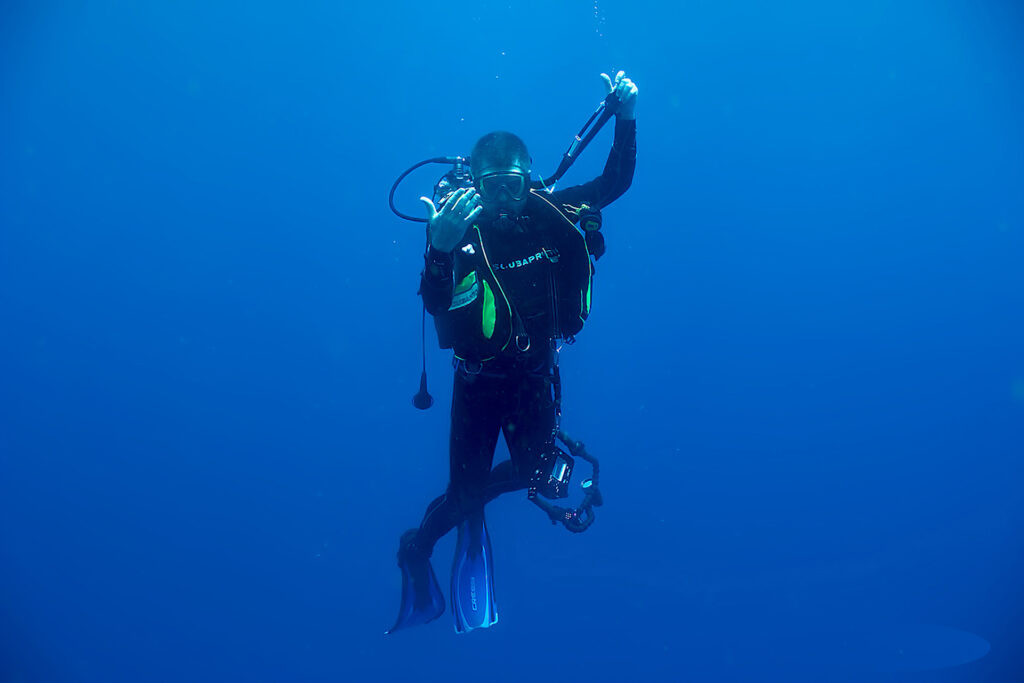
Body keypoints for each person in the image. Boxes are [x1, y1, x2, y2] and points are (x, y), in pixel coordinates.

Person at [388, 71, 638, 634]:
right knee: (463, 494)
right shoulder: (457, 230)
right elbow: (433, 303)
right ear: (474, 183)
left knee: (532, 473)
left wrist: (627, 115)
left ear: (528, 180)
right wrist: (437, 247)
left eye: (512, 184)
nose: (502, 198)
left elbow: (614, 181)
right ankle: (418, 545)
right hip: (477, 383)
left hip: (534, 375)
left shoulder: (548, 213)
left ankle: (474, 495)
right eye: (490, 185)